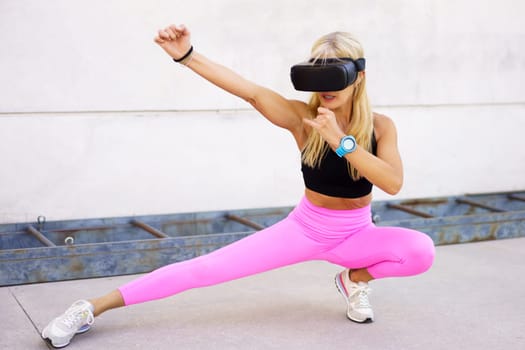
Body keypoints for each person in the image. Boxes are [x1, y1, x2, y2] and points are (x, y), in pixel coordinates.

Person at [42, 23, 435, 348]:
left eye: (335, 73)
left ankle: (352, 279)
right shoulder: (303, 118)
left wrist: (340, 141)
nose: (325, 86)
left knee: (419, 251)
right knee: (205, 270)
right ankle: (90, 307)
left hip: (355, 234)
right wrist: (187, 55)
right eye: (317, 72)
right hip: (305, 229)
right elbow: (248, 89)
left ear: (358, 77)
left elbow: (392, 181)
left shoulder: (381, 127)